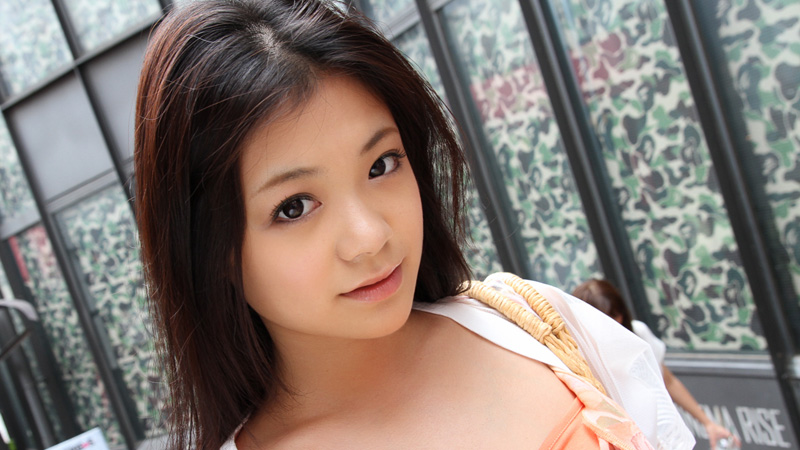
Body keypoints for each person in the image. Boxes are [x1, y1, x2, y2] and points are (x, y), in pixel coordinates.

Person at [134, 1, 693, 448]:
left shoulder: (538, 325)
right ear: (209, 250)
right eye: (295, 206)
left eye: (381, 165)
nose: (370, 236)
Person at [572, 279, 740, 450]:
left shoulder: (638, 333)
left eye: (614, 315)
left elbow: (668, 381)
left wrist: (708, 423)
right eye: (603, 319)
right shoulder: (582, 358)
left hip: (672, 439)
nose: (613, 323)